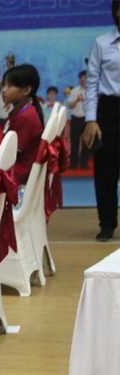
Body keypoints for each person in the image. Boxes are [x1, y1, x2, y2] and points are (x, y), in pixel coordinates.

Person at [82, 1, 120, 242]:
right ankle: (107, 223)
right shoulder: (102, 43)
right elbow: (92, 83)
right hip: (109, 111)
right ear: (117, 11)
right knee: (106, 171)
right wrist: (91, 119)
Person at [2, 64, 46, 185]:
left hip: (17, 174)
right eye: (3, 85)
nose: (4, 90)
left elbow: (10, 153)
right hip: (17, 170)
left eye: (9, 86)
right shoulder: (24, 111)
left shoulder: (25, 116)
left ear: (26, 90)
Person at [68, 70, 89, 169]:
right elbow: (70, 105)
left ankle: (84, 163)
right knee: (74, 143)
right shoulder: (74, 91)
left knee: (86, 142)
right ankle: (73, 164)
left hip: (87, 119)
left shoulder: (91, 91)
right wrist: (77, 99)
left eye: (85, 78)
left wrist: (85, 100)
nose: (83, 80)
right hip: (76, 119)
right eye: (81, 78)